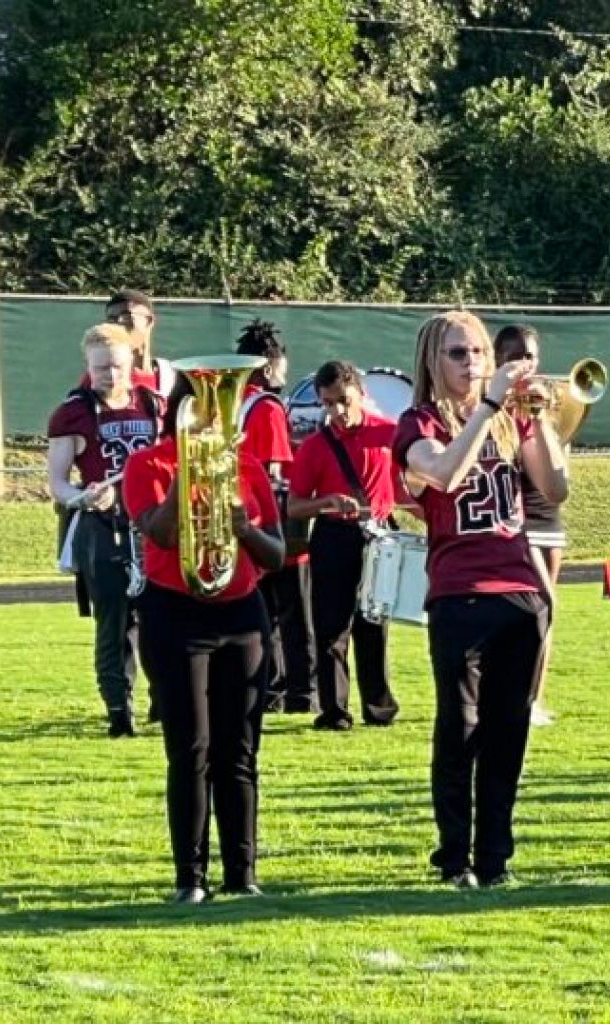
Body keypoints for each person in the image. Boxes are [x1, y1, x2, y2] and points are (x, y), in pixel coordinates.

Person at [392, 310, 568, 888]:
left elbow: (555, 488)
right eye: (457, 353)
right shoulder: (417, 422)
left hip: (519, 589)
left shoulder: (509, 418)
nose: (471, 363)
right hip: (460, 593)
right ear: (433, 361)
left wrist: (538, 419)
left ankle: (495, 858)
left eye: (478, 352)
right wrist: (489, 407)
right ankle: (454, 856)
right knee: (460, 728)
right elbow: (443, 474)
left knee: (507, 731)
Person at [122, 371, 284, 904]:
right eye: (206, 411)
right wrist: (187, 471)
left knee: (240, 751)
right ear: (182, 415)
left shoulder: (248, 467)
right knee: (190, 749)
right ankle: (190, 878)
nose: (217, 421)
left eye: (222, 411)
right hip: (175, 614)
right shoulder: (146, 465)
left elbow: (276, 555)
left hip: (242, 614)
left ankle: (242, 873)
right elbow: (161, 533)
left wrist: (245, 529)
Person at [47, 324, 159, 737]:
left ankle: (165, 703)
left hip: (152, 526)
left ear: (131, 363)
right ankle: (119, 712)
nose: (109, 375)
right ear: (87, 367)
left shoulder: (152, 404)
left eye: (116, 366)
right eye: (100, 368)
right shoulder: (73, 413)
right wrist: (84, 497)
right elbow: (57, 483)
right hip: (104, 527)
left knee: (160, 619)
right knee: (113, 624)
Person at [287, 360, 400, 731]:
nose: (336, 411)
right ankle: (334, 710)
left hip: (378, 535)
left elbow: (408, 483)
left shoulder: (388, 433)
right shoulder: (314, 447)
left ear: (361, 394)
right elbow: (294, 506)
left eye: (343, 401)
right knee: (331, 626)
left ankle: (378, 706)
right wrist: (328, 502)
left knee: (374, 622)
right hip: (333, 535)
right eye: (328, 403)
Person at [236, 319, 318, 714]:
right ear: (270, 365)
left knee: (263, 613)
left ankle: (268, 689)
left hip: (244, 520)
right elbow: (273, 471)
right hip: (275, 521)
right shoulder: (267, 407)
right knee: (295, 613)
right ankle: (302, 693)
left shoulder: (232, 402)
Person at [493, 324, 564, 727]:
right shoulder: (489, 405)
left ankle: (534, 696)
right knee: (529, 609)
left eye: (530, 356)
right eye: (514, 356)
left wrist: (543, 418)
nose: (524, 364)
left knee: (546, 612)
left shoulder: (547, 401)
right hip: (512, 516)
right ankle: (513, 694)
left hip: (546, 513)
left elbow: (558, 469)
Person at [102, 289, 175, 396]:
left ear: (149, 321)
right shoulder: (101, 379)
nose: (118, 324)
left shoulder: (172, 379)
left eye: (126, 317)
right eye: (111, 320)